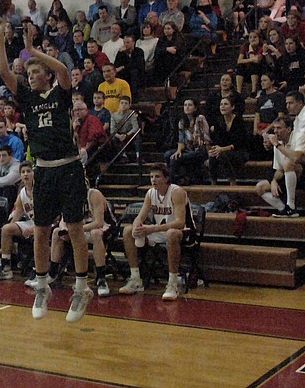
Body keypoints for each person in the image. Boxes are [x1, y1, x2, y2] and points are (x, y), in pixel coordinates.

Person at [0, 17, 92, 323]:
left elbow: (63, 70)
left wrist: (32, 49)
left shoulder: (60, 91)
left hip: (69, 167)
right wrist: (0, 37)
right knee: (40, 231)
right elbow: (6, 71)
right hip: (44, 170)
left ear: (47, 76)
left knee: (74, 229)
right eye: (30, 72)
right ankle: (42, 284)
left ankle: (81, 287)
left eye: (37, 72)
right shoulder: (26, 97)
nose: (31, 75)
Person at [119, 163, 190, 301]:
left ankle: (172, 284)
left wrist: (152, 228)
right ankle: (135, 279)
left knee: (171, 233)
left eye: (157, 176)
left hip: (183, 231)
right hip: (160, 230)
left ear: (166, 178)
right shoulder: (150, 193)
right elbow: (140, 217)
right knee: (127, 231)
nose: (153, 180)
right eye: (151, 177)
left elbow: (180, 222)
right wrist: (137, 227)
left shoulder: (177, 192)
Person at [49, 184, 113, 297]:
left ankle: (101, 278)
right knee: (56, 233)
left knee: (95, 234)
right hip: (80, 230)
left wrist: (75, 230)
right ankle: (53, 273)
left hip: (102, 227)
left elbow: (99, 222)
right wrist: (65, 230)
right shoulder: (69, 196)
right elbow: (63, 220)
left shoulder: (94, 194)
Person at [256, 116, 305, 218]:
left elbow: (296, 158)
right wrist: (273, 181)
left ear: (288, 129)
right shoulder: (278, 144)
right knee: (260, 187)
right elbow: (279, 170)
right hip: (292, 175)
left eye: (279, 128)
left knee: (288, 163)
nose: (275, 131)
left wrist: (277, 145)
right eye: (274, 128)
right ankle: (284, 210)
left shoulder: (300, 137)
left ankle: (290, 206)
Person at [0, 161, 34, 281]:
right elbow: (17, 213)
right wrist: (4, 243)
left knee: (38, 232)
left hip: (44, 223)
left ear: (34, 173)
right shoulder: (22, 192)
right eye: (23, 172)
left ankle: (37, 272)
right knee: (6, 229)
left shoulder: (41, 189)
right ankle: (6, 268)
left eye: (28, 171)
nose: (25, 174)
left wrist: (35, 227)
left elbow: (49, 214)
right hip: (31, 222)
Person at [165, 99, 211, 185]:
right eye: (185, 105)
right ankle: (180, 178)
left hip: (200, 150)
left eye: (189, 105)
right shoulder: (182, 121)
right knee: (168, 154)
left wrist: (208, 155)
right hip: (188, 149)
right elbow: (181, 139)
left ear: (195, 108)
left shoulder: (200, 119)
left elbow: (206, 137)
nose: (187, 107)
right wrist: (178, 150)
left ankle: (172, 182)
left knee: (176, 159)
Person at [207, 96, 250, 186]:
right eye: (221, 104)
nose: (222, 106)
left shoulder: (239, 121)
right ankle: (213, 183)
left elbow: (241, 142)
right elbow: (217, 140)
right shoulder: (219, 121)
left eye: (225, 104)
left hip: (239, 151)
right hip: (224, 150)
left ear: (232, 107)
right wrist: (215, 148)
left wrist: (223, 149)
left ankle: (232, 181)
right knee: (213, 155)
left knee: (222, 154)